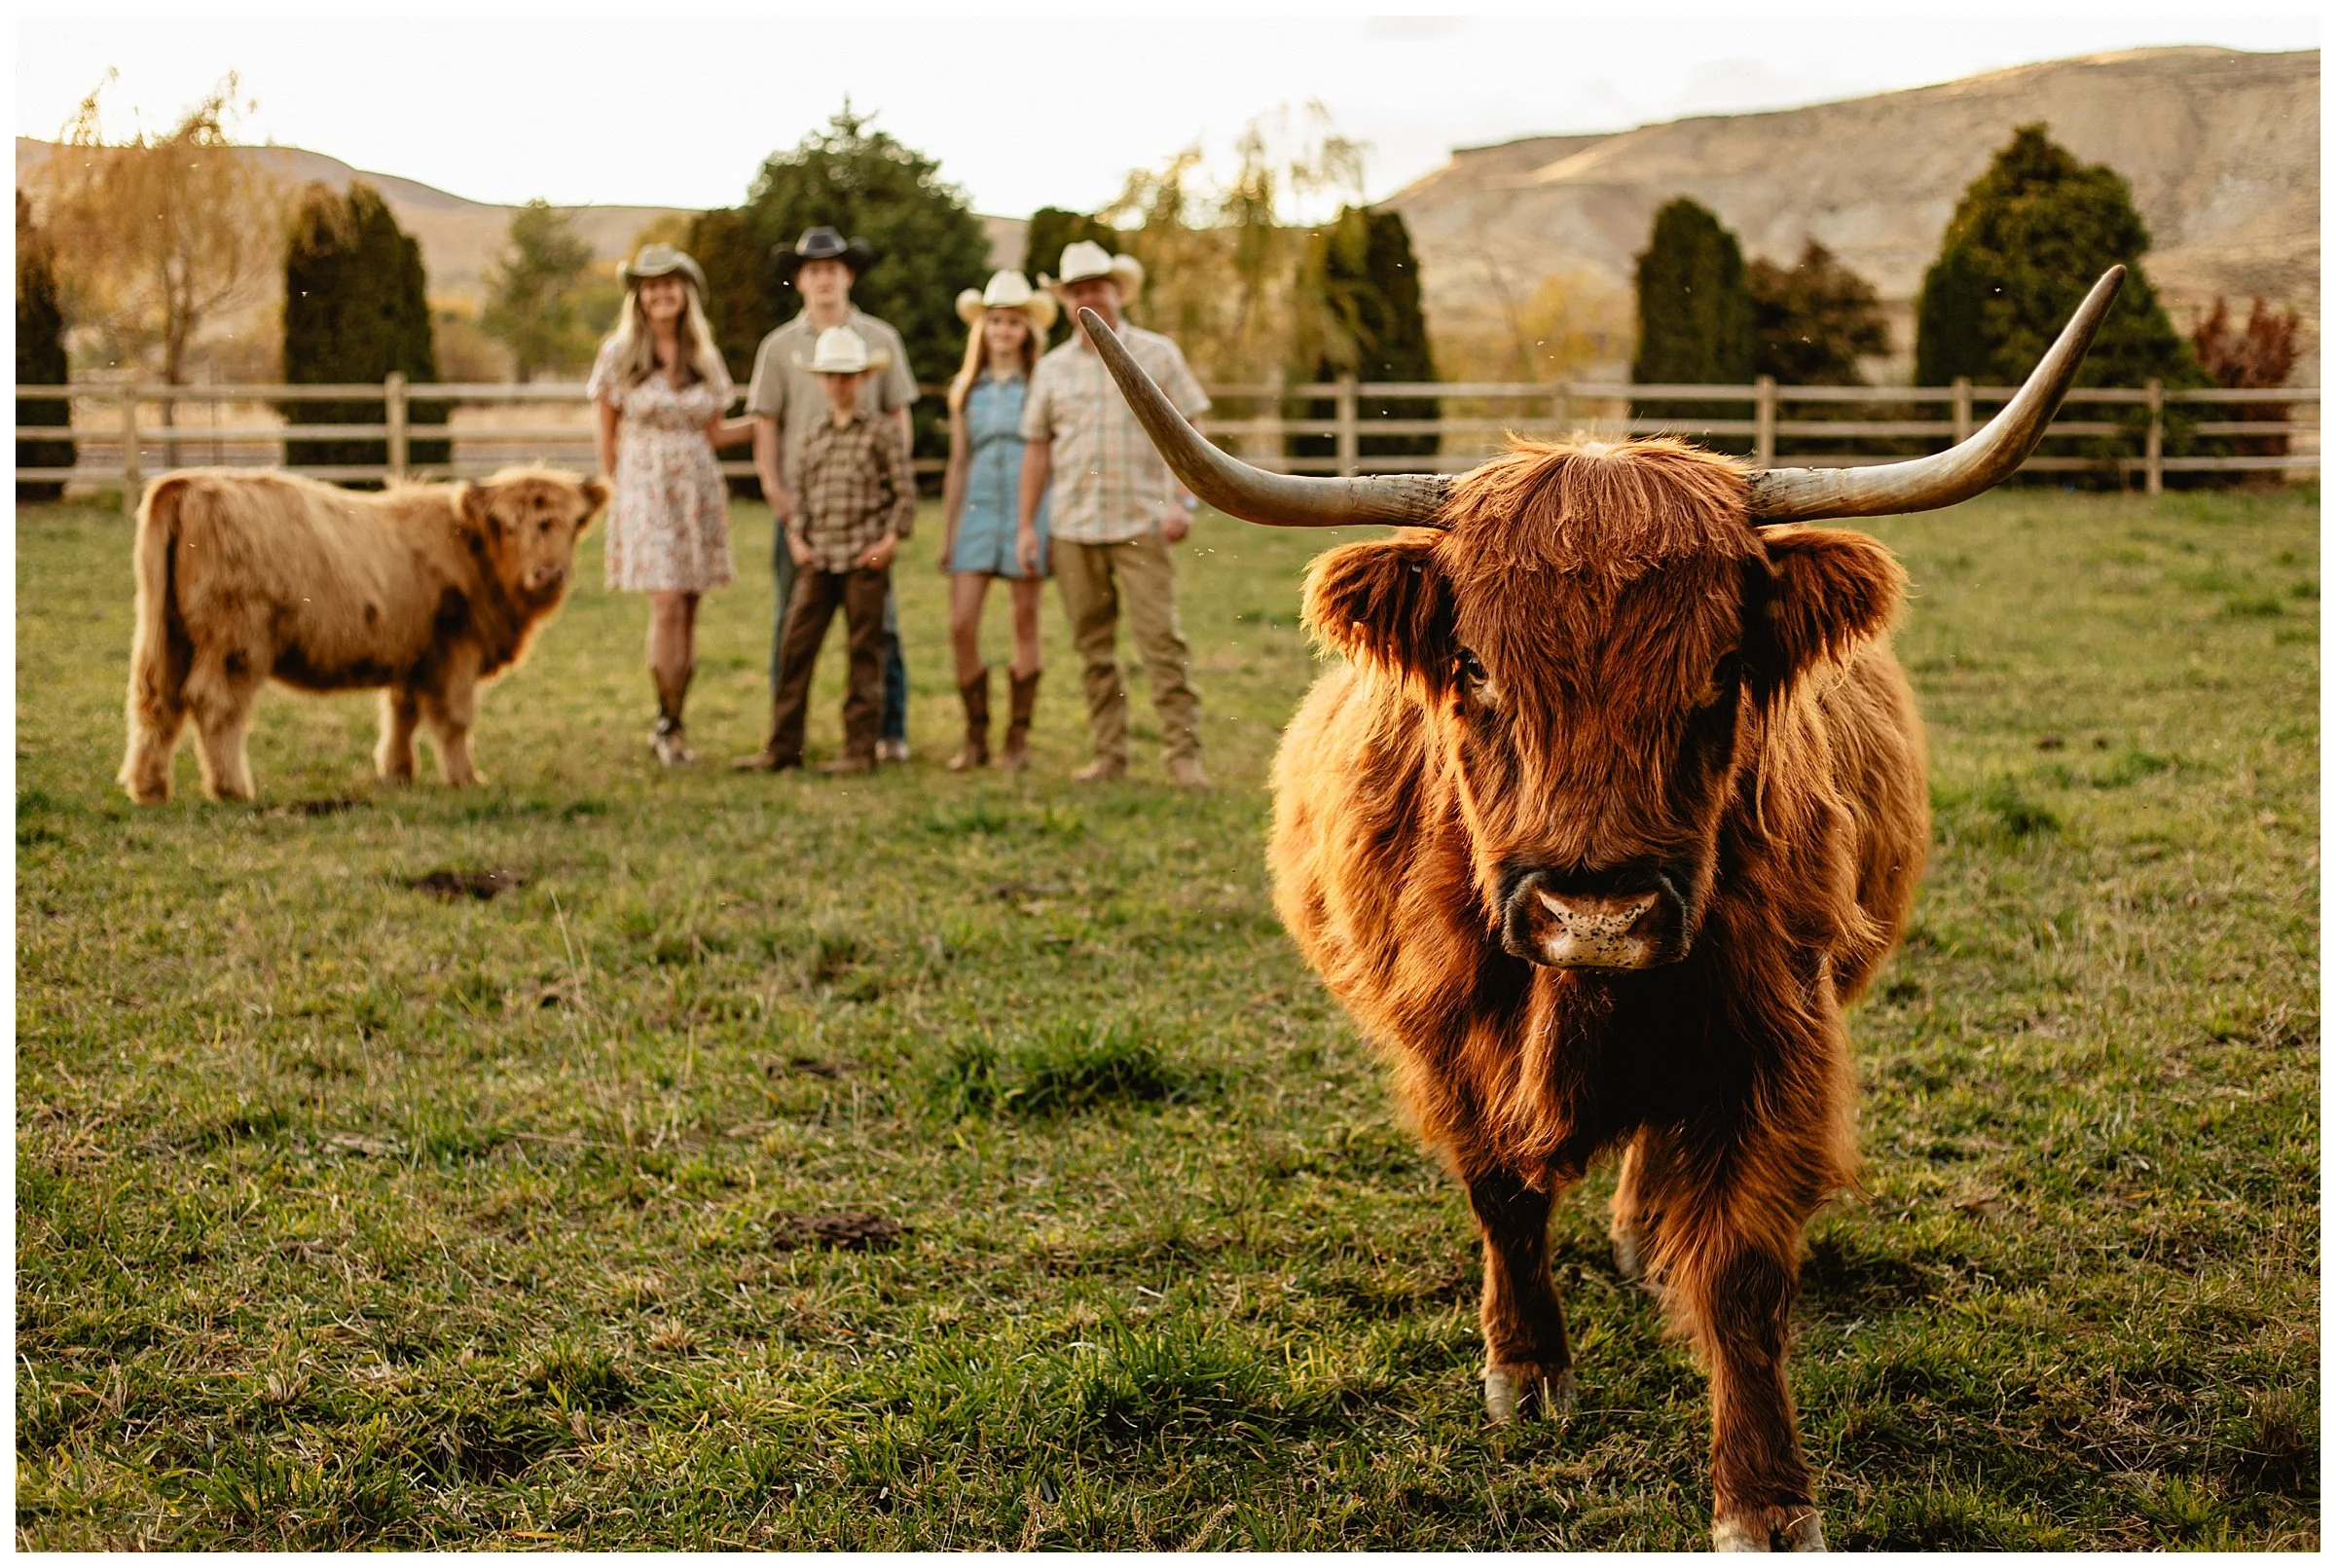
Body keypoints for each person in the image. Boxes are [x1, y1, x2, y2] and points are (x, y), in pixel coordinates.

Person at [1017, 240, 1212, 789]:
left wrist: (1183, 500)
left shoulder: (1157, 354)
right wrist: (1026, 527)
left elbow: (1192, 431)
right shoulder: (1052, 369)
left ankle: (1182, 756)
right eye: (1078, 290)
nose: (1089, 297)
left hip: (1140, 523)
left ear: (1116, 292)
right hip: (1073, 525)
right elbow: (1037, 450)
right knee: (1092, 648)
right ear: (1065, 299)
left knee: (1160, 641)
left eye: (1097, 287)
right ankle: (1109, 753)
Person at [734, 227, 921, 771]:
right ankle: (784, 739)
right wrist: (778, 496)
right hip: (806, 512)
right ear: (801, 280)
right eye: (811, 270)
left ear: (848, 275)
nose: (822, 279)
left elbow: (899, 417)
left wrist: (889, 506)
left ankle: (884, 733)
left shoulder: (880, 338)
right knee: (793, 627)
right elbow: (766, 421)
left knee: (875, 629)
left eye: (832, 269)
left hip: (866, 521)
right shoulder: (779, 348)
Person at [588, 244, 754, 766]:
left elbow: (718, 432)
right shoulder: (618, 355)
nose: (661, 293)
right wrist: (619, 494)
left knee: (688, 607)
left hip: (696, 490)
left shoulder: (704, 357)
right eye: (650, 285)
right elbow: (607, 439)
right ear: (639, 296)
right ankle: (663, 720)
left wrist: (772, 417)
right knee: (664, 604)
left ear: (686, 293)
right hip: (646, 490)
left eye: (670, 284)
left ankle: (678, 721)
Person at [762, 326, 916, 775]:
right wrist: (797, 538)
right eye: (831, 375)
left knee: (864, 651)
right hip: (820, 558)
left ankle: (859, 749)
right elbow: (802, 496)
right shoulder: (813, 436)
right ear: (821, 380)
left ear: (863, 378)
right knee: (795, 647)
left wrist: (888, 542)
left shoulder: (882, 433)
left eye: (848, 375)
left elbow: (904, 495)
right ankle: (783, 747)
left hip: (863, 559)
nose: (839, 383)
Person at [937, 270, 1055, 771]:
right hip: (978, 512)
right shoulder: (967, 390)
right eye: (995, 322)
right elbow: (958, 463)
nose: (1003, 331)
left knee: (1023, 621)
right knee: (961, 623)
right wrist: (948, 533)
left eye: (1013, 322)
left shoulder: (1041, 384)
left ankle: (1017, 739)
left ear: (1028, 329)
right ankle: (975, 735)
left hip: (1029, 511)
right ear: (982, 329)